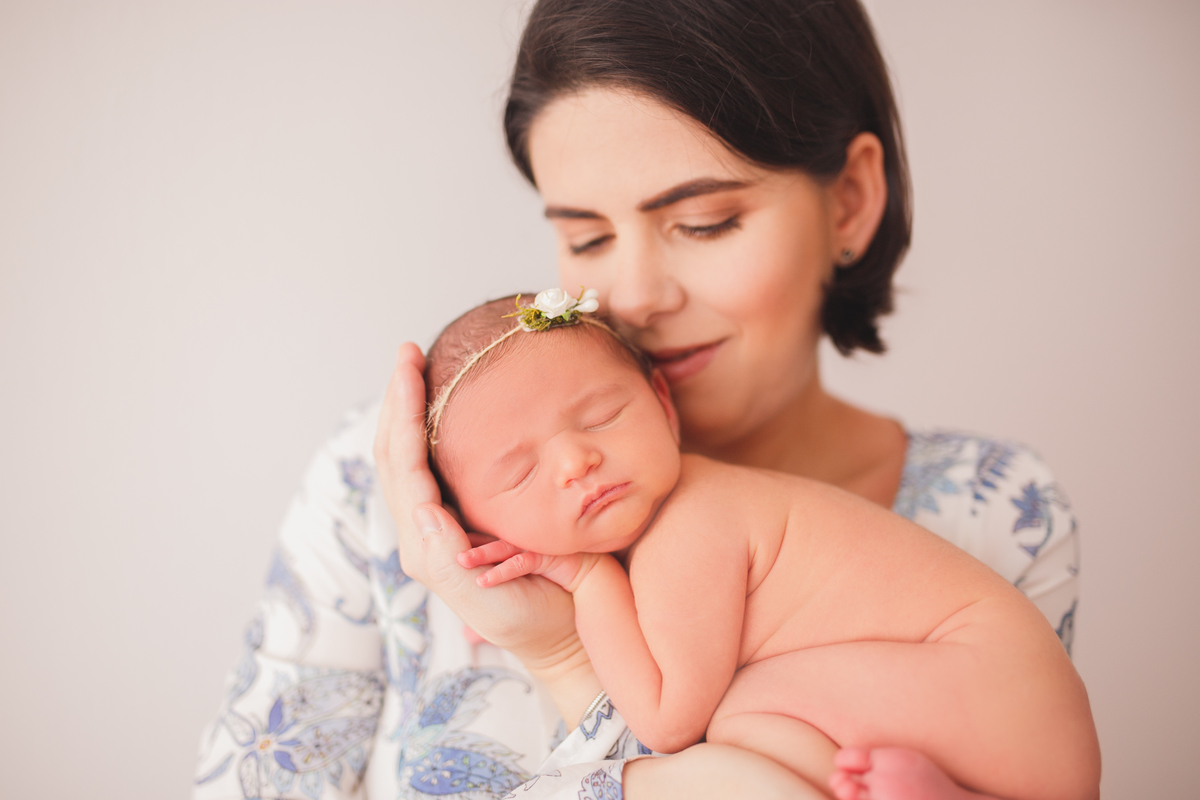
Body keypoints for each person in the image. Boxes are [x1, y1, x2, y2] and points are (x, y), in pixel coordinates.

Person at [194, 1, 1082, 798]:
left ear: (848, 202)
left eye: (704, 223)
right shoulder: (391, 496)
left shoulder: (994, 509)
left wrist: (564, 650)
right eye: (586, 238)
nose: (635, 297)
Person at [422, 292, 1098, 799]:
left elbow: (665, 721)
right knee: (753, 730)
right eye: (522, 472)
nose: (577, 462)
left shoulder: (692, 522)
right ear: (476, 527)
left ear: (662, 403)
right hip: (1004, 709)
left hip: (998, 695)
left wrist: (586, 580)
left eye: (602, 417)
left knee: (733, 717)